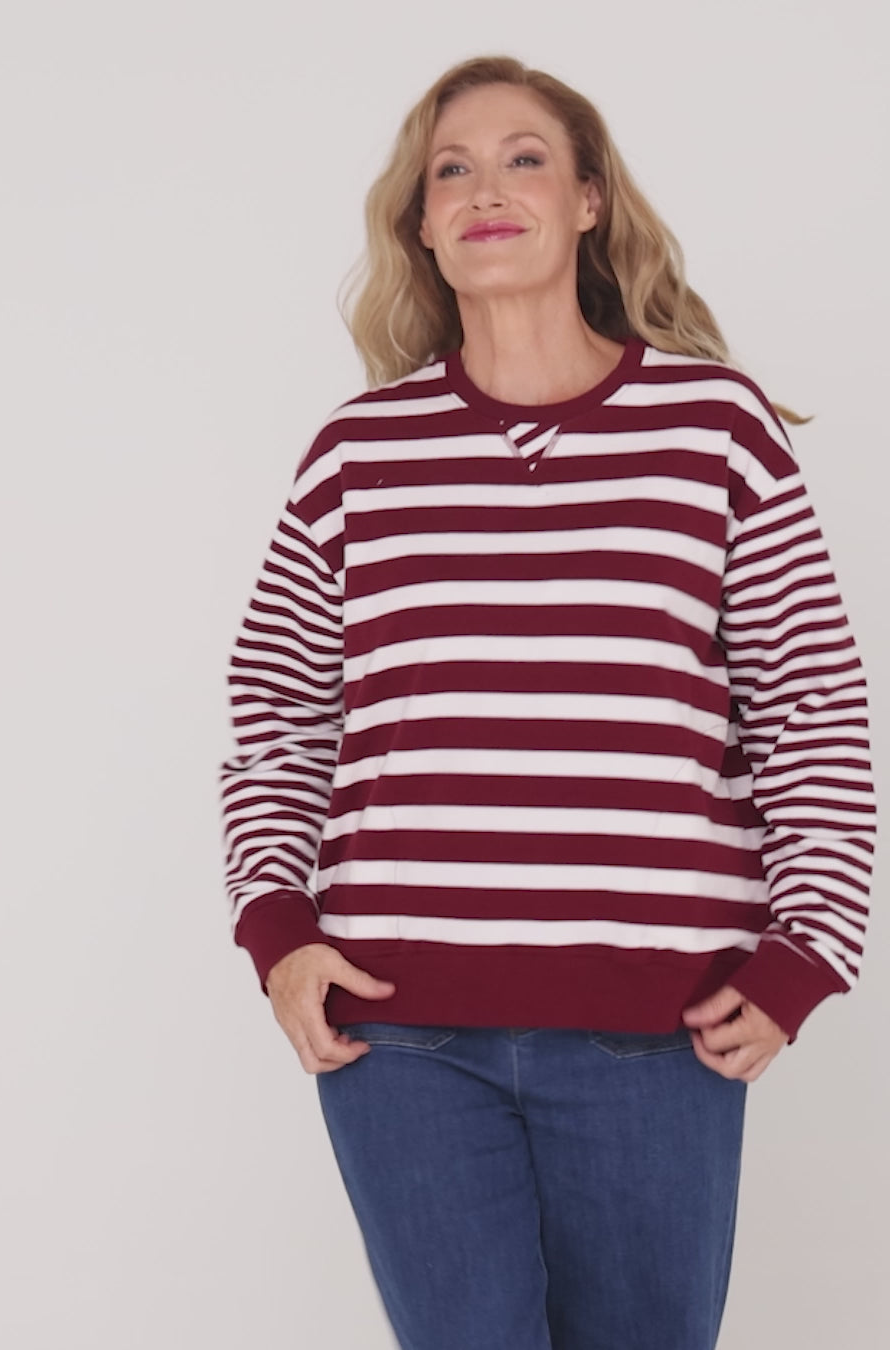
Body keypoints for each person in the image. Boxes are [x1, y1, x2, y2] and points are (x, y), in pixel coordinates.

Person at [216, 54, 877, 1350]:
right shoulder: (359, 451)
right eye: (450, 170)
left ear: (587, 201)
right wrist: (278, 929)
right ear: (421, 224)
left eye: (525, 159)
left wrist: (809, 948)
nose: (486, 189)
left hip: (661, 1028)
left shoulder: (716, 429)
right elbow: (278, 712)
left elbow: (811, 707)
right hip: (399, 1033)